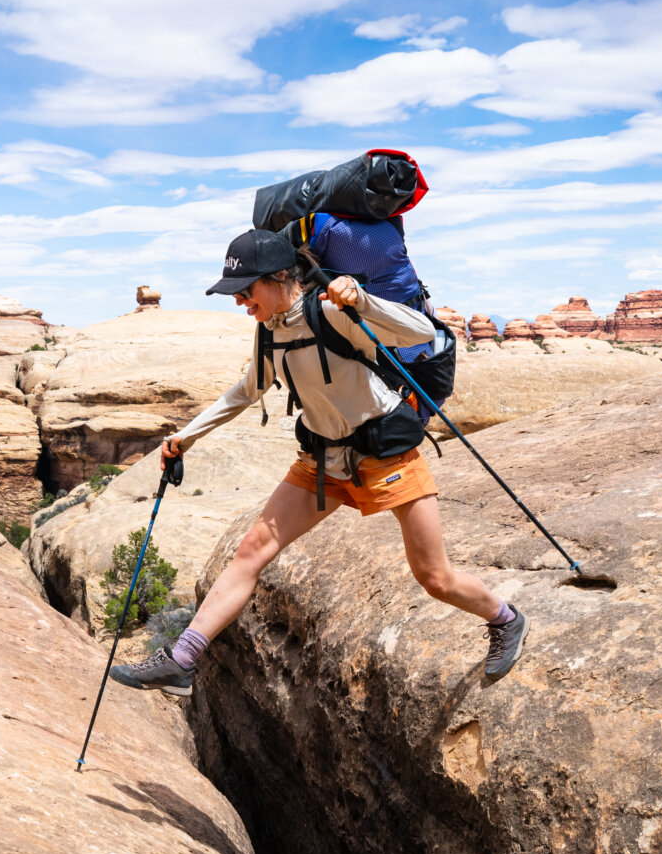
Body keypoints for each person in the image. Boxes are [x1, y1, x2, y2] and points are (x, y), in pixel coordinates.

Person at [108, 228, 528, 698]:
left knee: (435, 578)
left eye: (247, 290)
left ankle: (506, 619)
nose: (241, 301)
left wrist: (362, 302)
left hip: (383, 457)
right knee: (251, 552)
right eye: (236, 293)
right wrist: (185, 436)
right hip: (321, 462)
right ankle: (181, 660)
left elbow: (422, 332)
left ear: (279, 278)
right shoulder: (268, 332)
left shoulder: (331, 312)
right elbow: (247, 392)